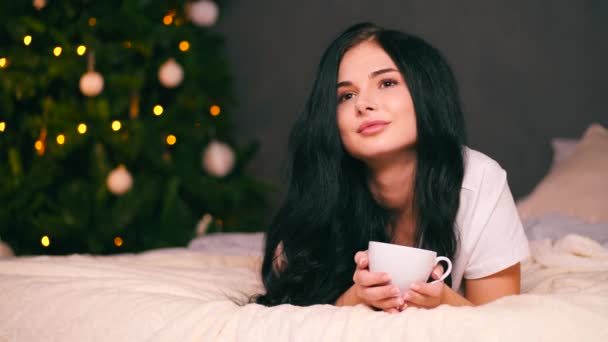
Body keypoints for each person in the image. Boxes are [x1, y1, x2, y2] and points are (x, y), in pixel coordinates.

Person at [254, 22, 529, 312]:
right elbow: (292, 305)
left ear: (427, 92)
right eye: (346, 96)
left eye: (386, 83)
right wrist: (356, 297)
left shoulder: (479, 180)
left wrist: (443, 300)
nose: (364, 104)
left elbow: (501, 319)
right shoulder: (323, 193)